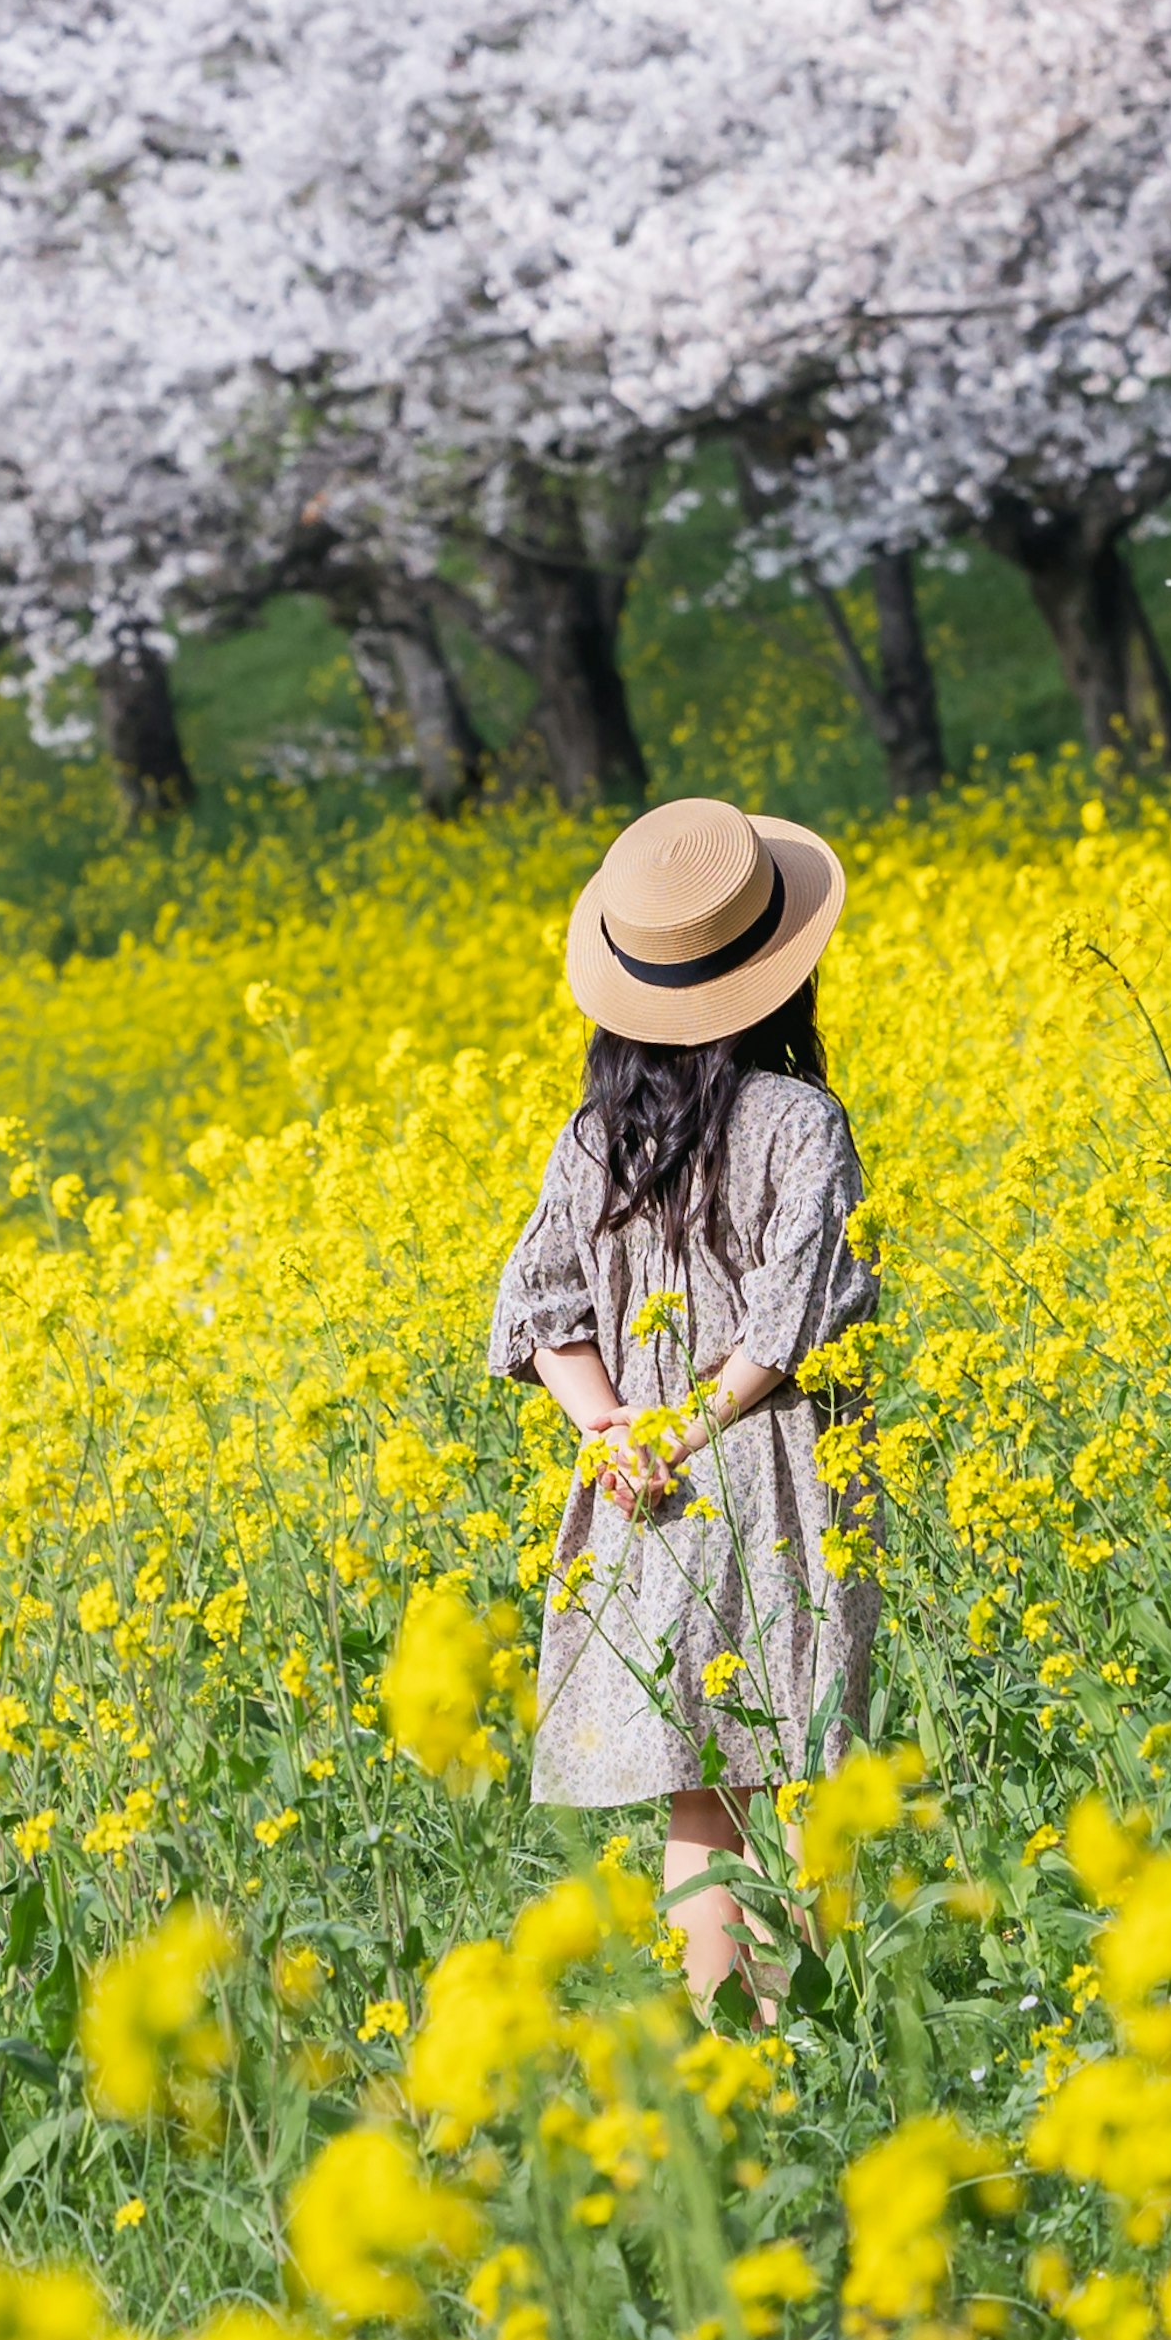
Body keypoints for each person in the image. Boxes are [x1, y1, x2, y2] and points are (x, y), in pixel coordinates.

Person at [486, 794, 884, 2013]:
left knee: (700, 1785)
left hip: (640, 1492)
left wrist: (613, 1428)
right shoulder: (801, 1120)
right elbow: (784, 1328)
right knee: (795, 1771)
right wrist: (689, 1427)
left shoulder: (591, 1137)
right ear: (781, 977)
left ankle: (727, 2049)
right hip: (767, 1468)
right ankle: (805, 2035)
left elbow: (541, 1308)